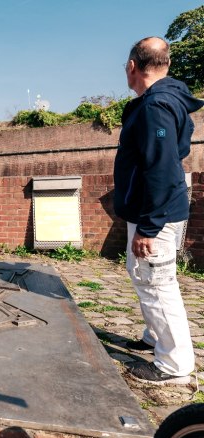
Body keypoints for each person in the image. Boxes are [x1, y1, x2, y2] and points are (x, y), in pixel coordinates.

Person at [114, 37, 204, 385]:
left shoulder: (155, 107)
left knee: (156, 282)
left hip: (157, 214)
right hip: (155, 210)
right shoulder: (171, 100)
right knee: (142, 273)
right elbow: (178, 148)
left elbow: (163, 168)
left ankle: (174, 364)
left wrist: (150, 227)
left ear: (133, 66)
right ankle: (154, 336)